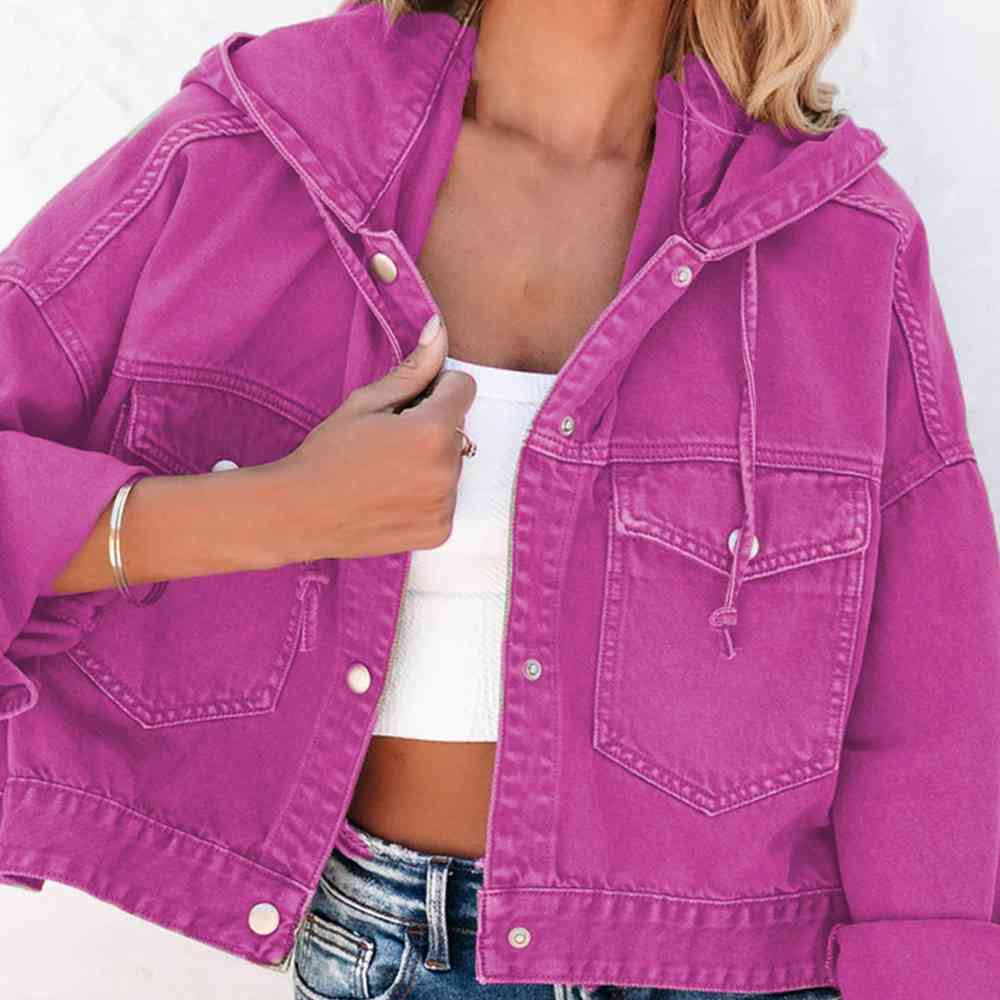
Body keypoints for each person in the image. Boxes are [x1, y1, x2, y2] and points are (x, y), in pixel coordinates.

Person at [1, 0, 998, 997]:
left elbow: (932, 693)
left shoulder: (841, 234)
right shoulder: (256, 146)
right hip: (405, 953)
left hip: (751, 967)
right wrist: (281, 512)